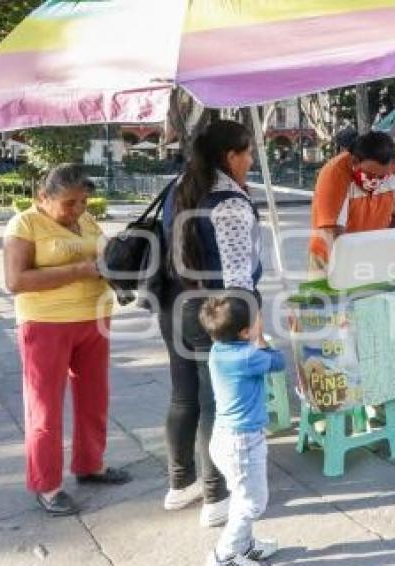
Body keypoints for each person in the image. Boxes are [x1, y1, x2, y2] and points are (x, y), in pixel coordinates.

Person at [3, 164, 130, 516]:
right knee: (44, 407)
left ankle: (91, 465)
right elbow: (16, 280)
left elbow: (102, 257)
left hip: (94, 320)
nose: (77, 210)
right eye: (69, 202)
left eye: (84, 201)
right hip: (46, 324)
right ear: (43, 197)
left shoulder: (87, 221)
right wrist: (79, 270)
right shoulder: (24, 224)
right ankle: (47, 484)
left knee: (95, 398)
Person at [159, 120, 262, 527]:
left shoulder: (180, 187)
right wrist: (251, 323)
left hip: (175, 306)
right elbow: (238, 278)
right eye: (248, 152)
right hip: (215, 311)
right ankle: (216, 496)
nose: (252, 160)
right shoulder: (228, 201)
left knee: (184, 394)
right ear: (230, 156)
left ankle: (180, 483)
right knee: (215, 401)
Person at [200, 295, 284, 566]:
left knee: (242, 495)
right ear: (245, 332)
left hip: (225, 438)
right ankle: (223, 555)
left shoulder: (217, 351)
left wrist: (253, 335)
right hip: (243, 442)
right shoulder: (248, 356)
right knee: (253, 502)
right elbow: (279, 361)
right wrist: (261, 339)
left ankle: (244, 546)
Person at [308, 131, 395, 277]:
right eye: (370, 175)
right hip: (330, 254)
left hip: (371, 254)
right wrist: (351, 267)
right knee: (332, 298)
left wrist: (385, 251)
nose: (377, 180)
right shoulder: (335, 173)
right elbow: (335, 232)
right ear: (355, 162)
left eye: (382, 176)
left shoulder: (394, 170)